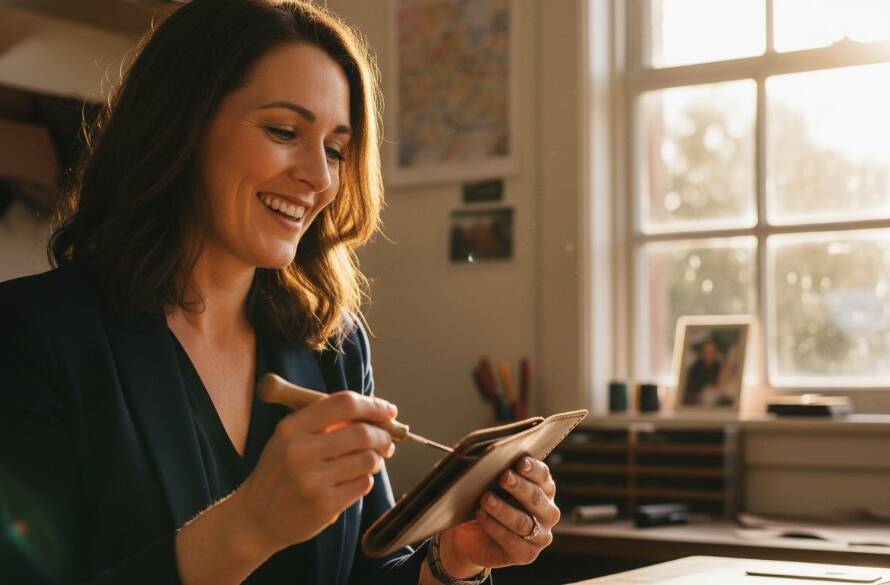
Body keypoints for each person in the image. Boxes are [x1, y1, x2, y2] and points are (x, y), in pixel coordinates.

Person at [0, 1, 561, 584]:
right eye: (284, 131)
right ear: (180, 128)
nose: (319, 178)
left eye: (336, 150)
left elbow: (363, 576)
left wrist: (455, 558)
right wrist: (249, 526)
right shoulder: (29, 336)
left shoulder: (333, 345)